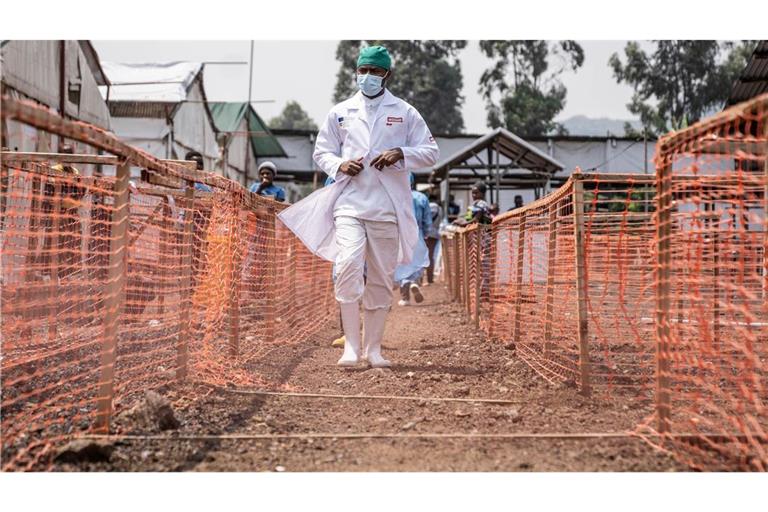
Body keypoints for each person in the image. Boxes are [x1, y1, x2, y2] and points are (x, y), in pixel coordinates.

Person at [277, 45, 439, 368]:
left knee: (381, 277)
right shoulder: (340, 112)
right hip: (349, 204)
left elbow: (431, 152)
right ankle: (350, 347)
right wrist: (339, 165)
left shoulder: (405, 112)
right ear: (356, 72)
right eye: (362, 71)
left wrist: (400, 153)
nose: (367, 77)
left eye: (374, 72)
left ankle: (373, 349)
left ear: (387, 75)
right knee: (349, 265)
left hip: (388, 209)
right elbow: (321, 151)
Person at [395, 174, 430, 306]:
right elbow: (427, 219)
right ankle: (414, 282)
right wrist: (426, 233)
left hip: (400, 233)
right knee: (418, 260)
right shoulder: (422, 197)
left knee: (402, 262)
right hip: (417, 232)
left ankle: (405, 298)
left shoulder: (396, 197)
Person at [424, 191, 443, 284]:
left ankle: (421, 279)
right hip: (435, 234)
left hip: (427, 233)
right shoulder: (440, 208)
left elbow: (425, 219)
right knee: (431, 256)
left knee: (423, 255)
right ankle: (430, 278)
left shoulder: (429, 206)